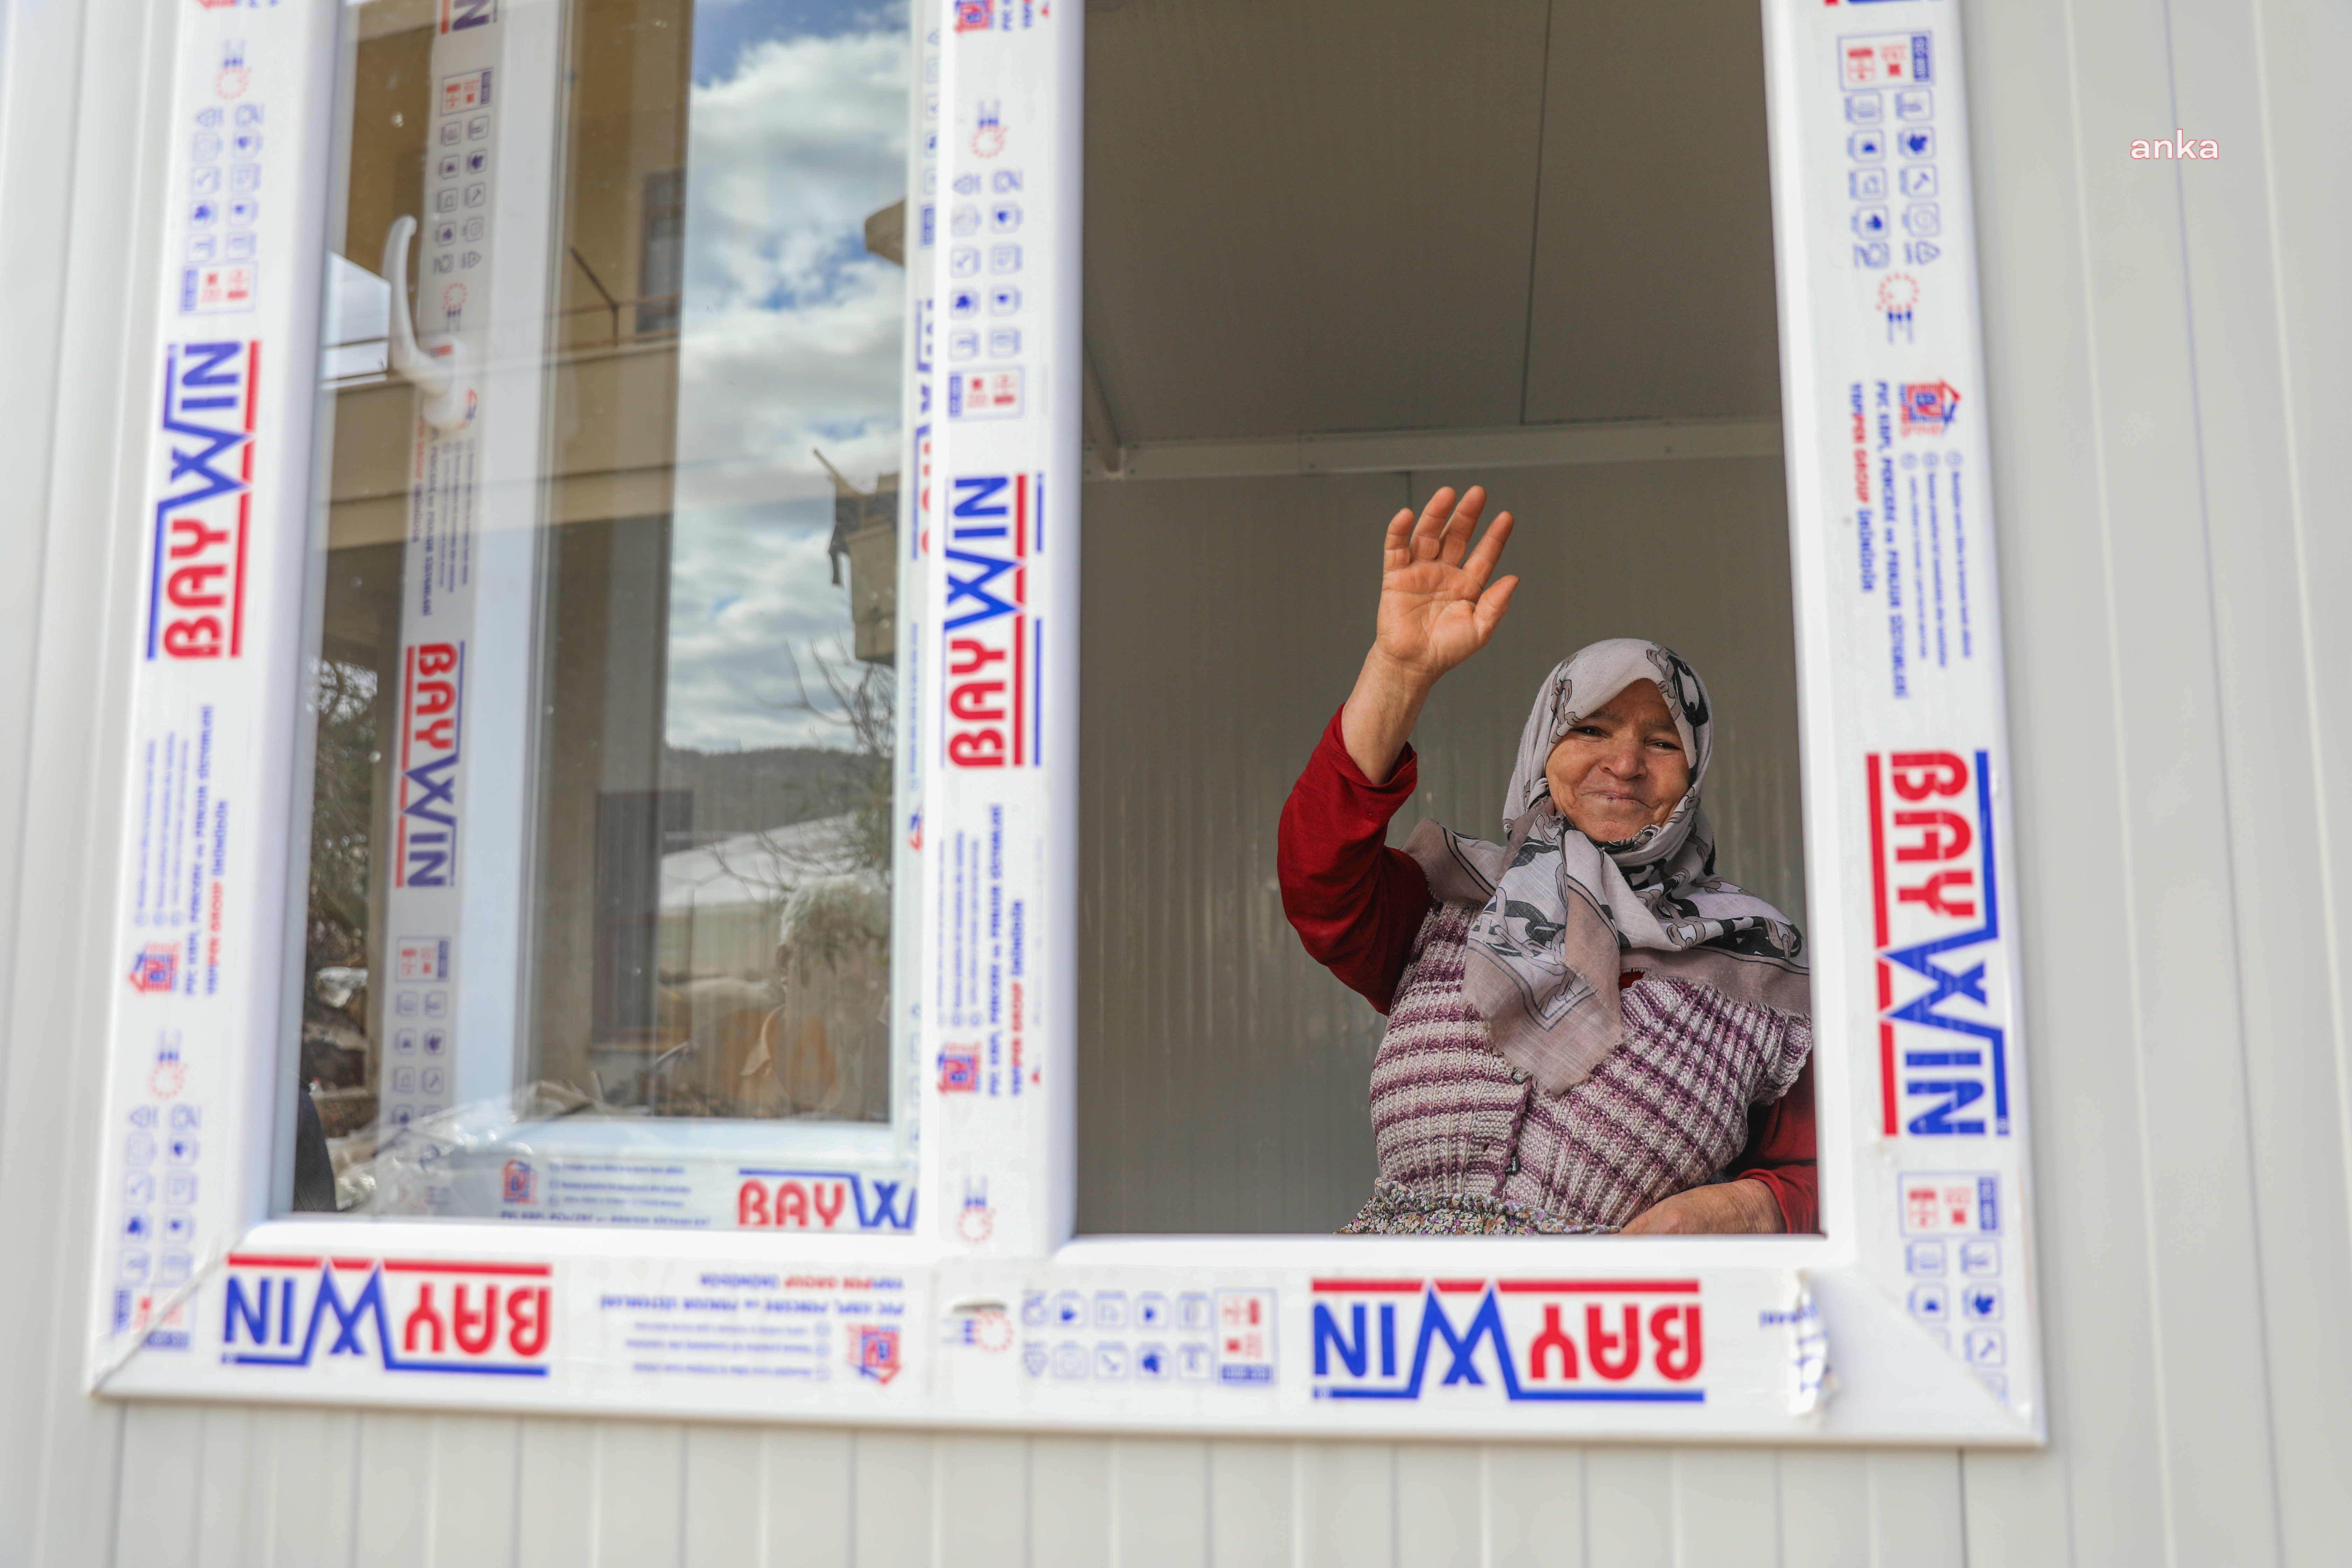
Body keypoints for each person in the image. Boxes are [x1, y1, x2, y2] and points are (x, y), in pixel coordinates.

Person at [1278, 485, 1816, 1234]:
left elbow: (1824, 1169)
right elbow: (1318, 872)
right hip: (1406, 1326)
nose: (1623, 763)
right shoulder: (1452, 905)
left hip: (1606, 1339)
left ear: (1693, 777)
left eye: (1663, 742)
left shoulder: (1759, 969)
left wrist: (1739, 1206)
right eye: (1591, 727)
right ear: (1544, 746)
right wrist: (1398, 674)